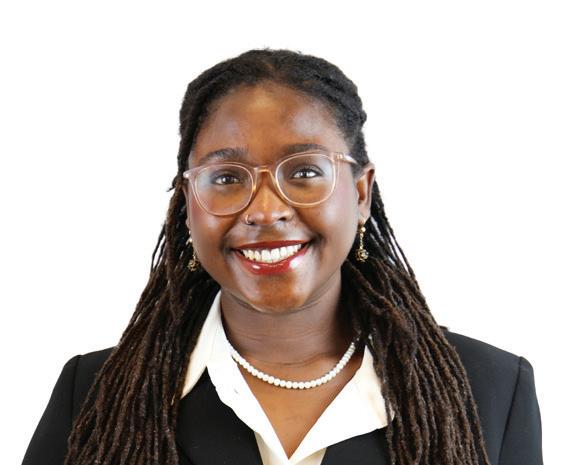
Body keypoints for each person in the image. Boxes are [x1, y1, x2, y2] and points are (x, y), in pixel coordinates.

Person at [22, 48, 543, 465]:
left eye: (305, 171)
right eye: (227, 178)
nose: (266, 211)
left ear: (361, 193)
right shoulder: (93, 395)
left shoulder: (493, 391)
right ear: (186, 204)